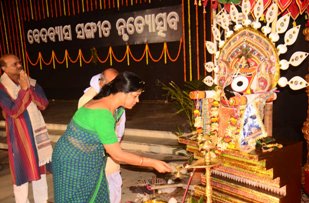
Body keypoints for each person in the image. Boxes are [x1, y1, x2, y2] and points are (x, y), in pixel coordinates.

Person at [52, 71, 172, 202]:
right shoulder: (102, 114)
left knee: (99, 193)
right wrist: (152, 162)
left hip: (89, 156)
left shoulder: (112, 106)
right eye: (135, 96)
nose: (138, 100)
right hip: (72, 161)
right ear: (122, 92)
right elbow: (117, 155)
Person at [0, 54, 53, 203]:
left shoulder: (29, 80)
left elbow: (43, 103)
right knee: (21, 172)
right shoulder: (2, 87)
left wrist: (28, 87)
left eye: (19, 62)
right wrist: (24, 90)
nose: (19, 65)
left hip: (37, 135)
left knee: (40, 172)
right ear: (3, 68)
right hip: (20, 138)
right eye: (14, 64)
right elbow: (13, 111)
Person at [78, 68, 126, 203]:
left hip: (111, 147)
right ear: (100, 82)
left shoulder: (115, 97)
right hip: (94, 152)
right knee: (99, 188)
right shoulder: (88, 99)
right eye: (111, 84)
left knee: (113, 182)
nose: (114, 88)